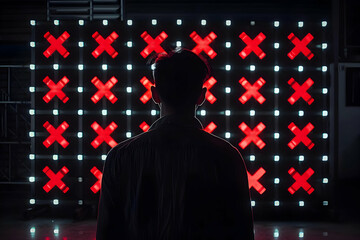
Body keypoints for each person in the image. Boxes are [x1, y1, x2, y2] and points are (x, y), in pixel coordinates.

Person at [96, 48, 254, 240]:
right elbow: (242, 232)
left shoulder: (120, 156)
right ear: (201, 96)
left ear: (155, 94)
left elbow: (107, 232)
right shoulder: (227, 157)